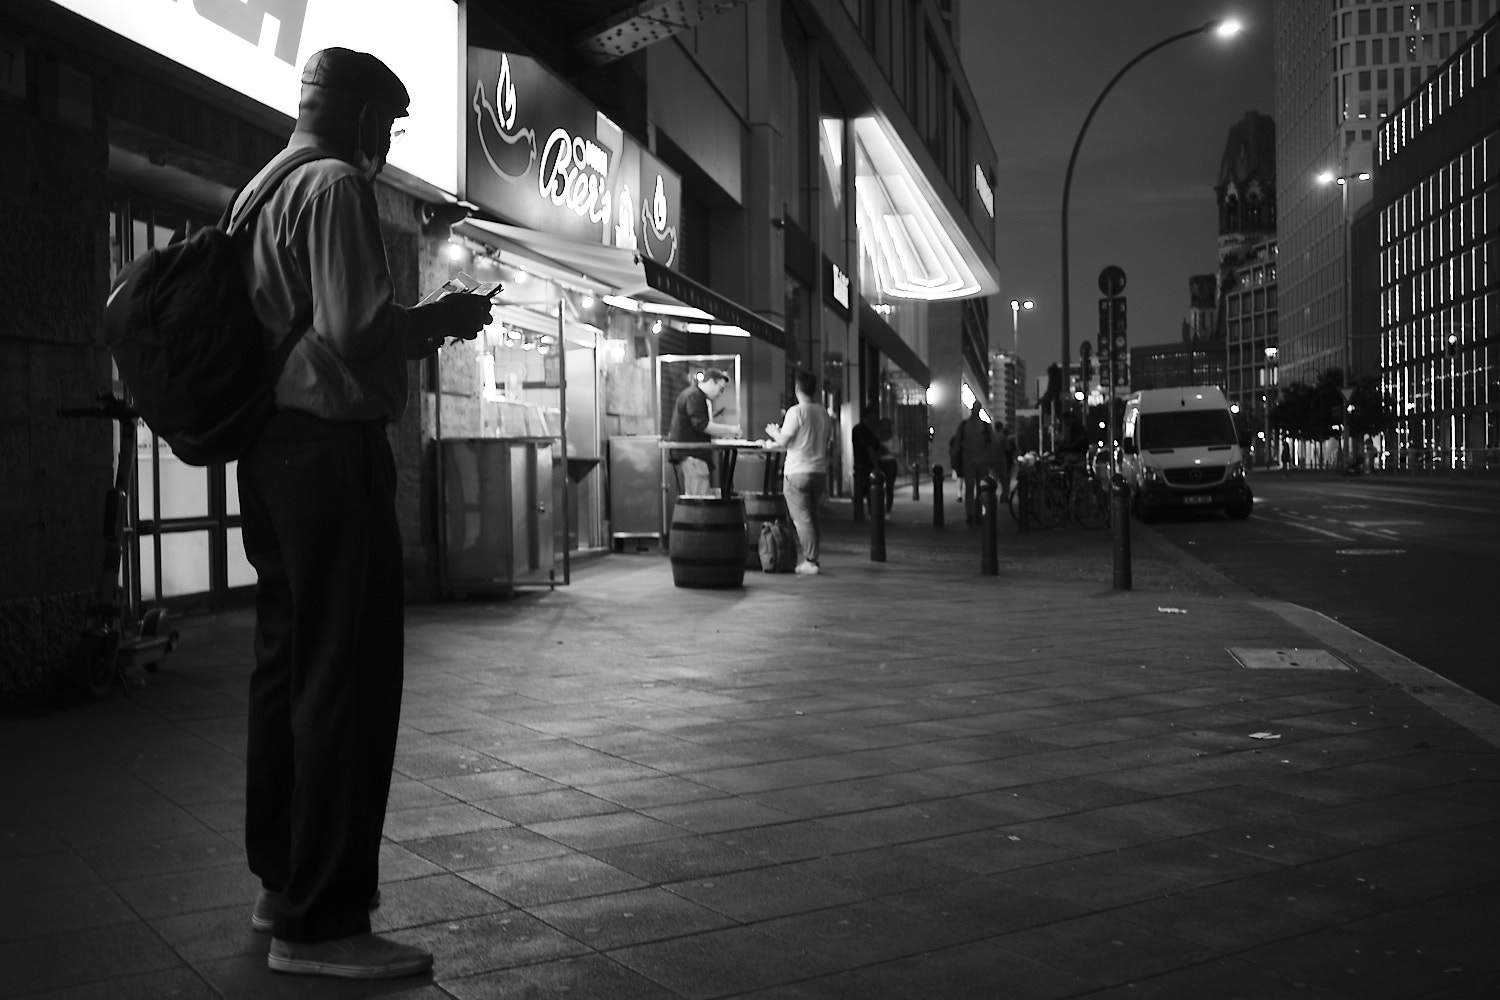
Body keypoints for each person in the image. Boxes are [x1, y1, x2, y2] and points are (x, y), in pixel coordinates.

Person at [234, 48, 494, 980]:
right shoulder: (335, 185)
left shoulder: (262, 188)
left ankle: (281, 885)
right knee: (346, 683)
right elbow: (353, 328)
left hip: (266, 458)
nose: (382, 147)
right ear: (358, 120)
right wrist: (440, 319)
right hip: (330, 455)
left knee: (286, 670)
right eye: (382, 128)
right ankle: (325, 923)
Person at [765, 370, 833, 574]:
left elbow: (784, 441)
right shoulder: (823, 414)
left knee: (801, 518)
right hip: (819, 471)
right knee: (812, 515)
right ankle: (813, 557)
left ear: (796, 389)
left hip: (797, 471)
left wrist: (774, 432)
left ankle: (811, 561)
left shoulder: (796, 412)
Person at [667, 368, 741, 496]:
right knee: (699, 499)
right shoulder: (694, 396)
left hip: (692, 455)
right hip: (693, 456)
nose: (720, 394)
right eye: (721, 389)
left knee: (695, 496)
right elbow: (702, 425)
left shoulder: (696, 395)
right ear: (711, 382)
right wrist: (730, 430)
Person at [957, 401, 993, 525]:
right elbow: (990, 444)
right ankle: (973, 513)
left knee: (974, 488)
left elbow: (957, 444)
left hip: (973, 460)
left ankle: (973, 513)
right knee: (974, 487)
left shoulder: (967, 426)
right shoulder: (982, 427)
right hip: (976, 460)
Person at [850, 404, 880, 520]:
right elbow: (869, 448)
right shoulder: (863, 430)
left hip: (861, 463)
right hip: (866, 464)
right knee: (867, 488)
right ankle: (870, 513)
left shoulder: (859, 430)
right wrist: (875, 464)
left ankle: (862, 511)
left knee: (864, 488)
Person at [876, 417, 899, 514]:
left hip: (890, 463)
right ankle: (878, 507)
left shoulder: (894, 437)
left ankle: (888, 509)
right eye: (883, 425)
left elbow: (897, 452)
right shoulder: (877, 437)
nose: (885, 427)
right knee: (878, 486)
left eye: (887, 425)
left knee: (889, 487)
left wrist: (887, 451)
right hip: (880, 462)